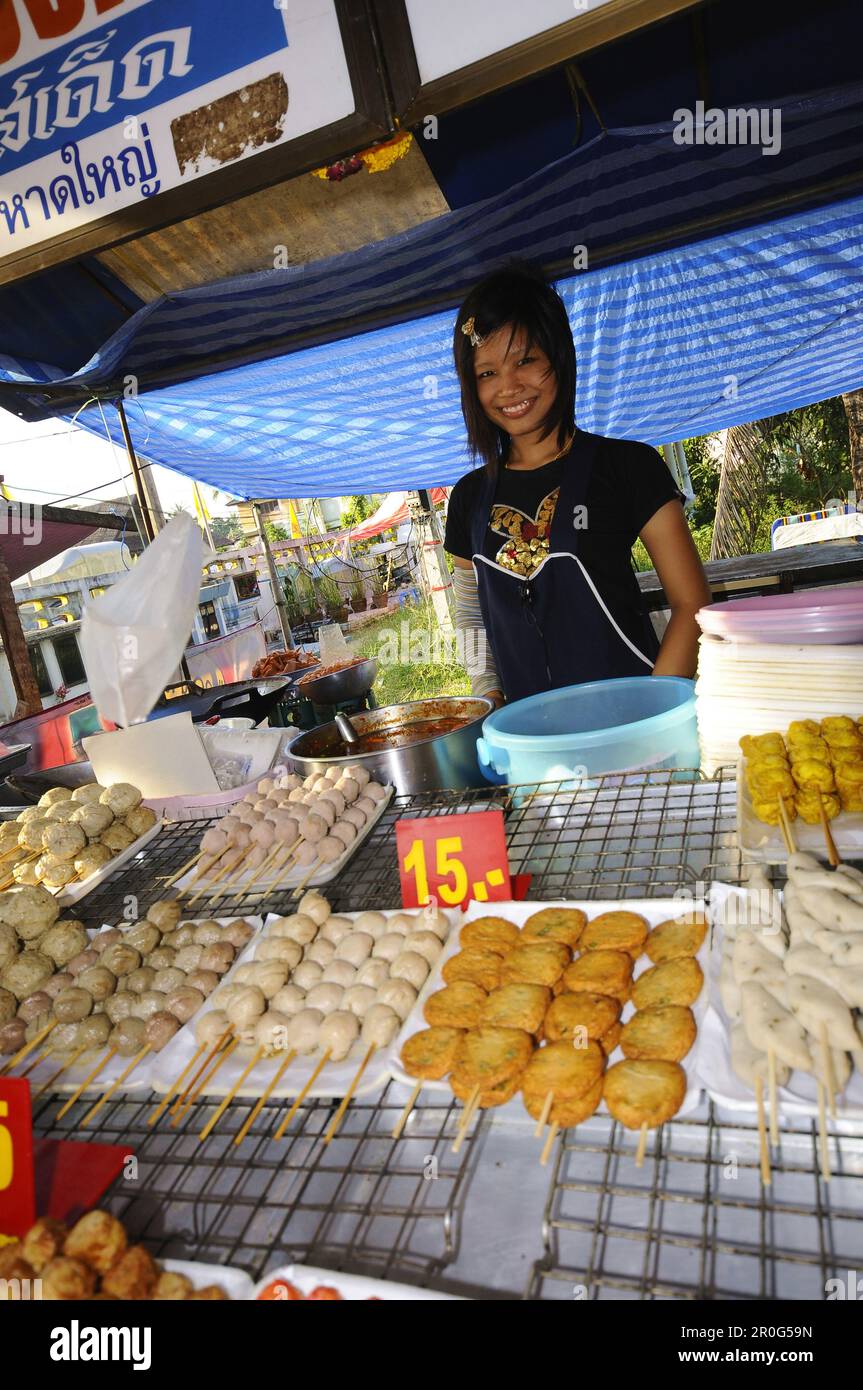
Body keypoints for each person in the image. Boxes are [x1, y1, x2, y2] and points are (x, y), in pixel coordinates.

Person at [444, 263, 711, 705]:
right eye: (486, 373)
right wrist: (488, 696)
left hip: (638, 719)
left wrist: (654, 713)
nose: (508, 387)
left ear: (558, 358)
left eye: (525, 361)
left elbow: (691, 605)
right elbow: (471, 614)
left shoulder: (629, 466)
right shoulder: (468, 497)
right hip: (532, 740)